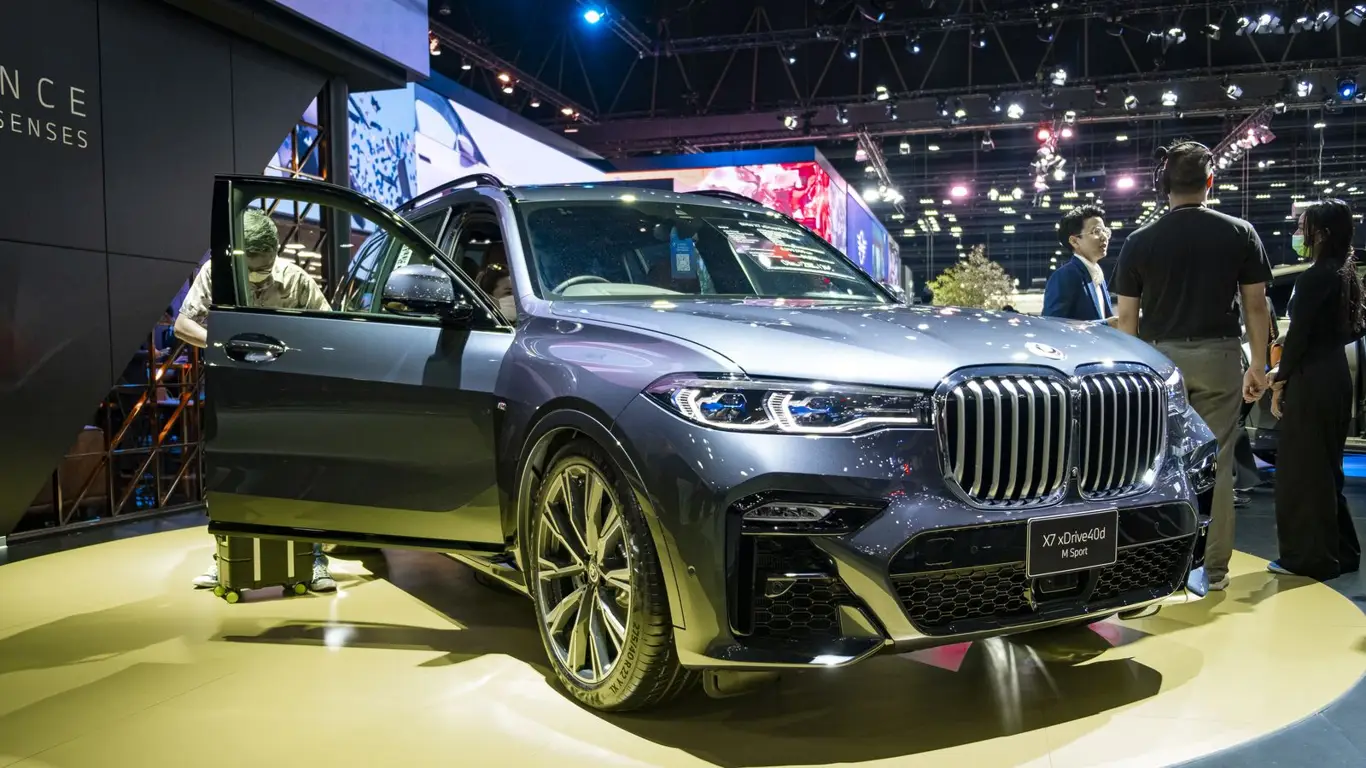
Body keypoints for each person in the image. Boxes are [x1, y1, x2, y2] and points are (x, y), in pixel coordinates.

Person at [1112, 140, 1273, 591]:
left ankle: (1158, 565)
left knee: (1155, 464)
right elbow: (1255, 306)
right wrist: (1258, 365)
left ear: (1164, 186)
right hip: (1220, 357)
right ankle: (1214, 571)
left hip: (1160, 362)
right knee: (1218, 462)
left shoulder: (1139, 241)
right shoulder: (1239, 232)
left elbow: (1127, 321)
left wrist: (1133, 379)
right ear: (1209, 182)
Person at [176, 209, 337, 592]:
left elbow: (331, 329)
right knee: (232, 479)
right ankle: (228, 562)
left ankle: (314, 559)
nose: (261, 278)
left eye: (266, 269)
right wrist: (227, 345)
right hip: (234, 396)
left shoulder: (295, 279)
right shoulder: (214, 274)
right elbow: (183, 325)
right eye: (253, 271)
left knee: (299, 477)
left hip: (287, 397)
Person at [1265, 200, 1363, 580]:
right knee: (1326, 470)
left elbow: (1298, 337)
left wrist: (1279, 379)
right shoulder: (1345, 274)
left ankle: (1309, 559)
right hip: (1335, 376)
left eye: (1301, 227)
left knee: (1302, 473)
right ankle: (1342, 551)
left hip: (1311, 379)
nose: (1297, 234)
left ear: (1320, 233)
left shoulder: (1314, 277)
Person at [1043, 204, 1114, 322]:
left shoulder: (1097, 274)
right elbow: (1053, 325)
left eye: (1105, 231)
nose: (1104, 237)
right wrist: (1107, 324)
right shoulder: (1064, 276)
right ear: (1075, 241)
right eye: (1096, 231)